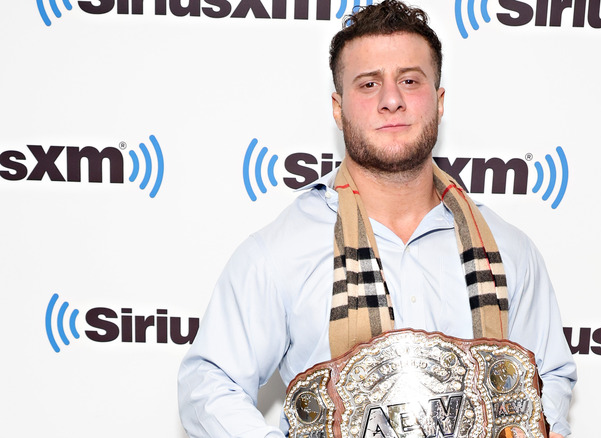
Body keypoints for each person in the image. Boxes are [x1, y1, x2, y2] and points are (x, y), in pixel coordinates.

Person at [177, 1, 577, 437]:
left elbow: (548, 374)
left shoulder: (507, 250)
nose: (391, 100)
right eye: (369, 84)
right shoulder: (279, 253)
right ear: (338, 106)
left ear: (439, 101)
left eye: (410, 80)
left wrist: (541, 424)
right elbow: (208, 383)